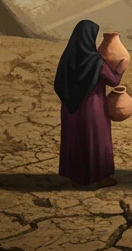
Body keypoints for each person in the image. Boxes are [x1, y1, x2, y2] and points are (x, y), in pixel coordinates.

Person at [54, 20, 126, 187]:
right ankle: (102, 177)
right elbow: (113, 80)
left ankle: (77, 178)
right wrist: (121, 66)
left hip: (70, 108)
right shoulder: (95, 60)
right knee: (97, 140)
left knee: (76, 139)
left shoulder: (68, 57)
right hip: (93, 107)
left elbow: (59, 83)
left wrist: (70, 98)